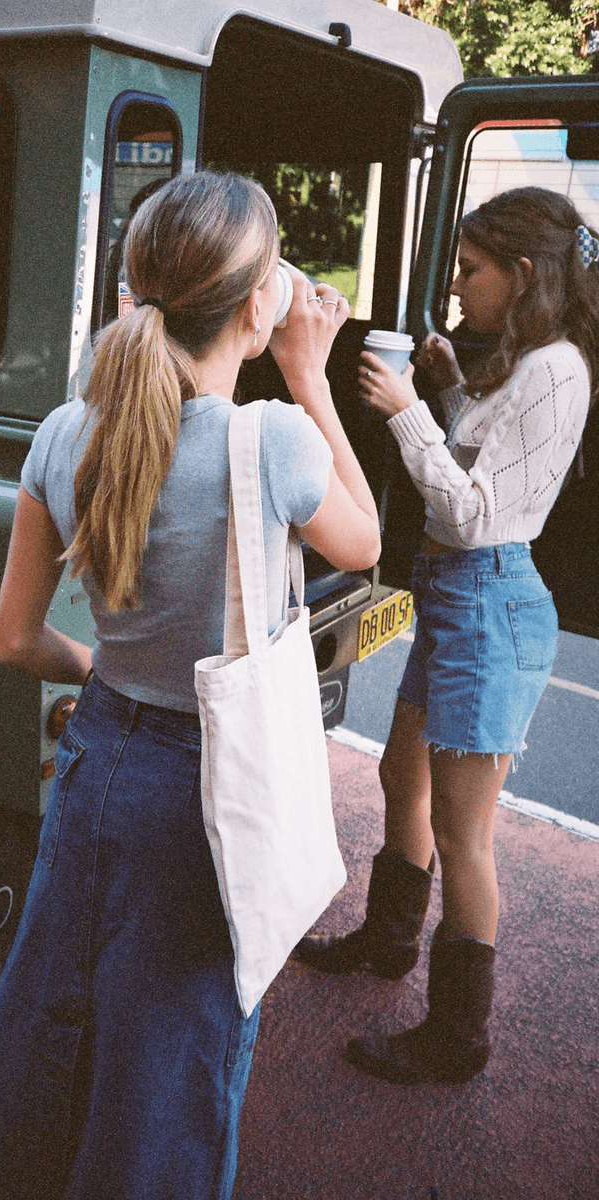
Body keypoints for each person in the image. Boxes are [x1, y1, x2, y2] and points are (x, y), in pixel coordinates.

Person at [0, 170, 381, 1200]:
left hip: (96, 761)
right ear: (258, 305)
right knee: (168, 1066)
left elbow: (14, 640)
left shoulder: (63, 432)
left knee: (51, 1023)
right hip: (205, 794)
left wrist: (97, 671)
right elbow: (364, 542)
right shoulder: (272, 439)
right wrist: (309, 377)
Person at [295, 186, 598, 1085]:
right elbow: (479, 456)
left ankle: (457, 1037)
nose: (457, 286)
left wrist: (403, 409)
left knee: (465, 833)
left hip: (488, 604)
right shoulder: (530, 361)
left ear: (522, 274)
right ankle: (390, 938)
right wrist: (447, 388)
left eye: (471, 270)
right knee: (403, 776)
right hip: (458, 597)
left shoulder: (555, 369)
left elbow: (470, 511)